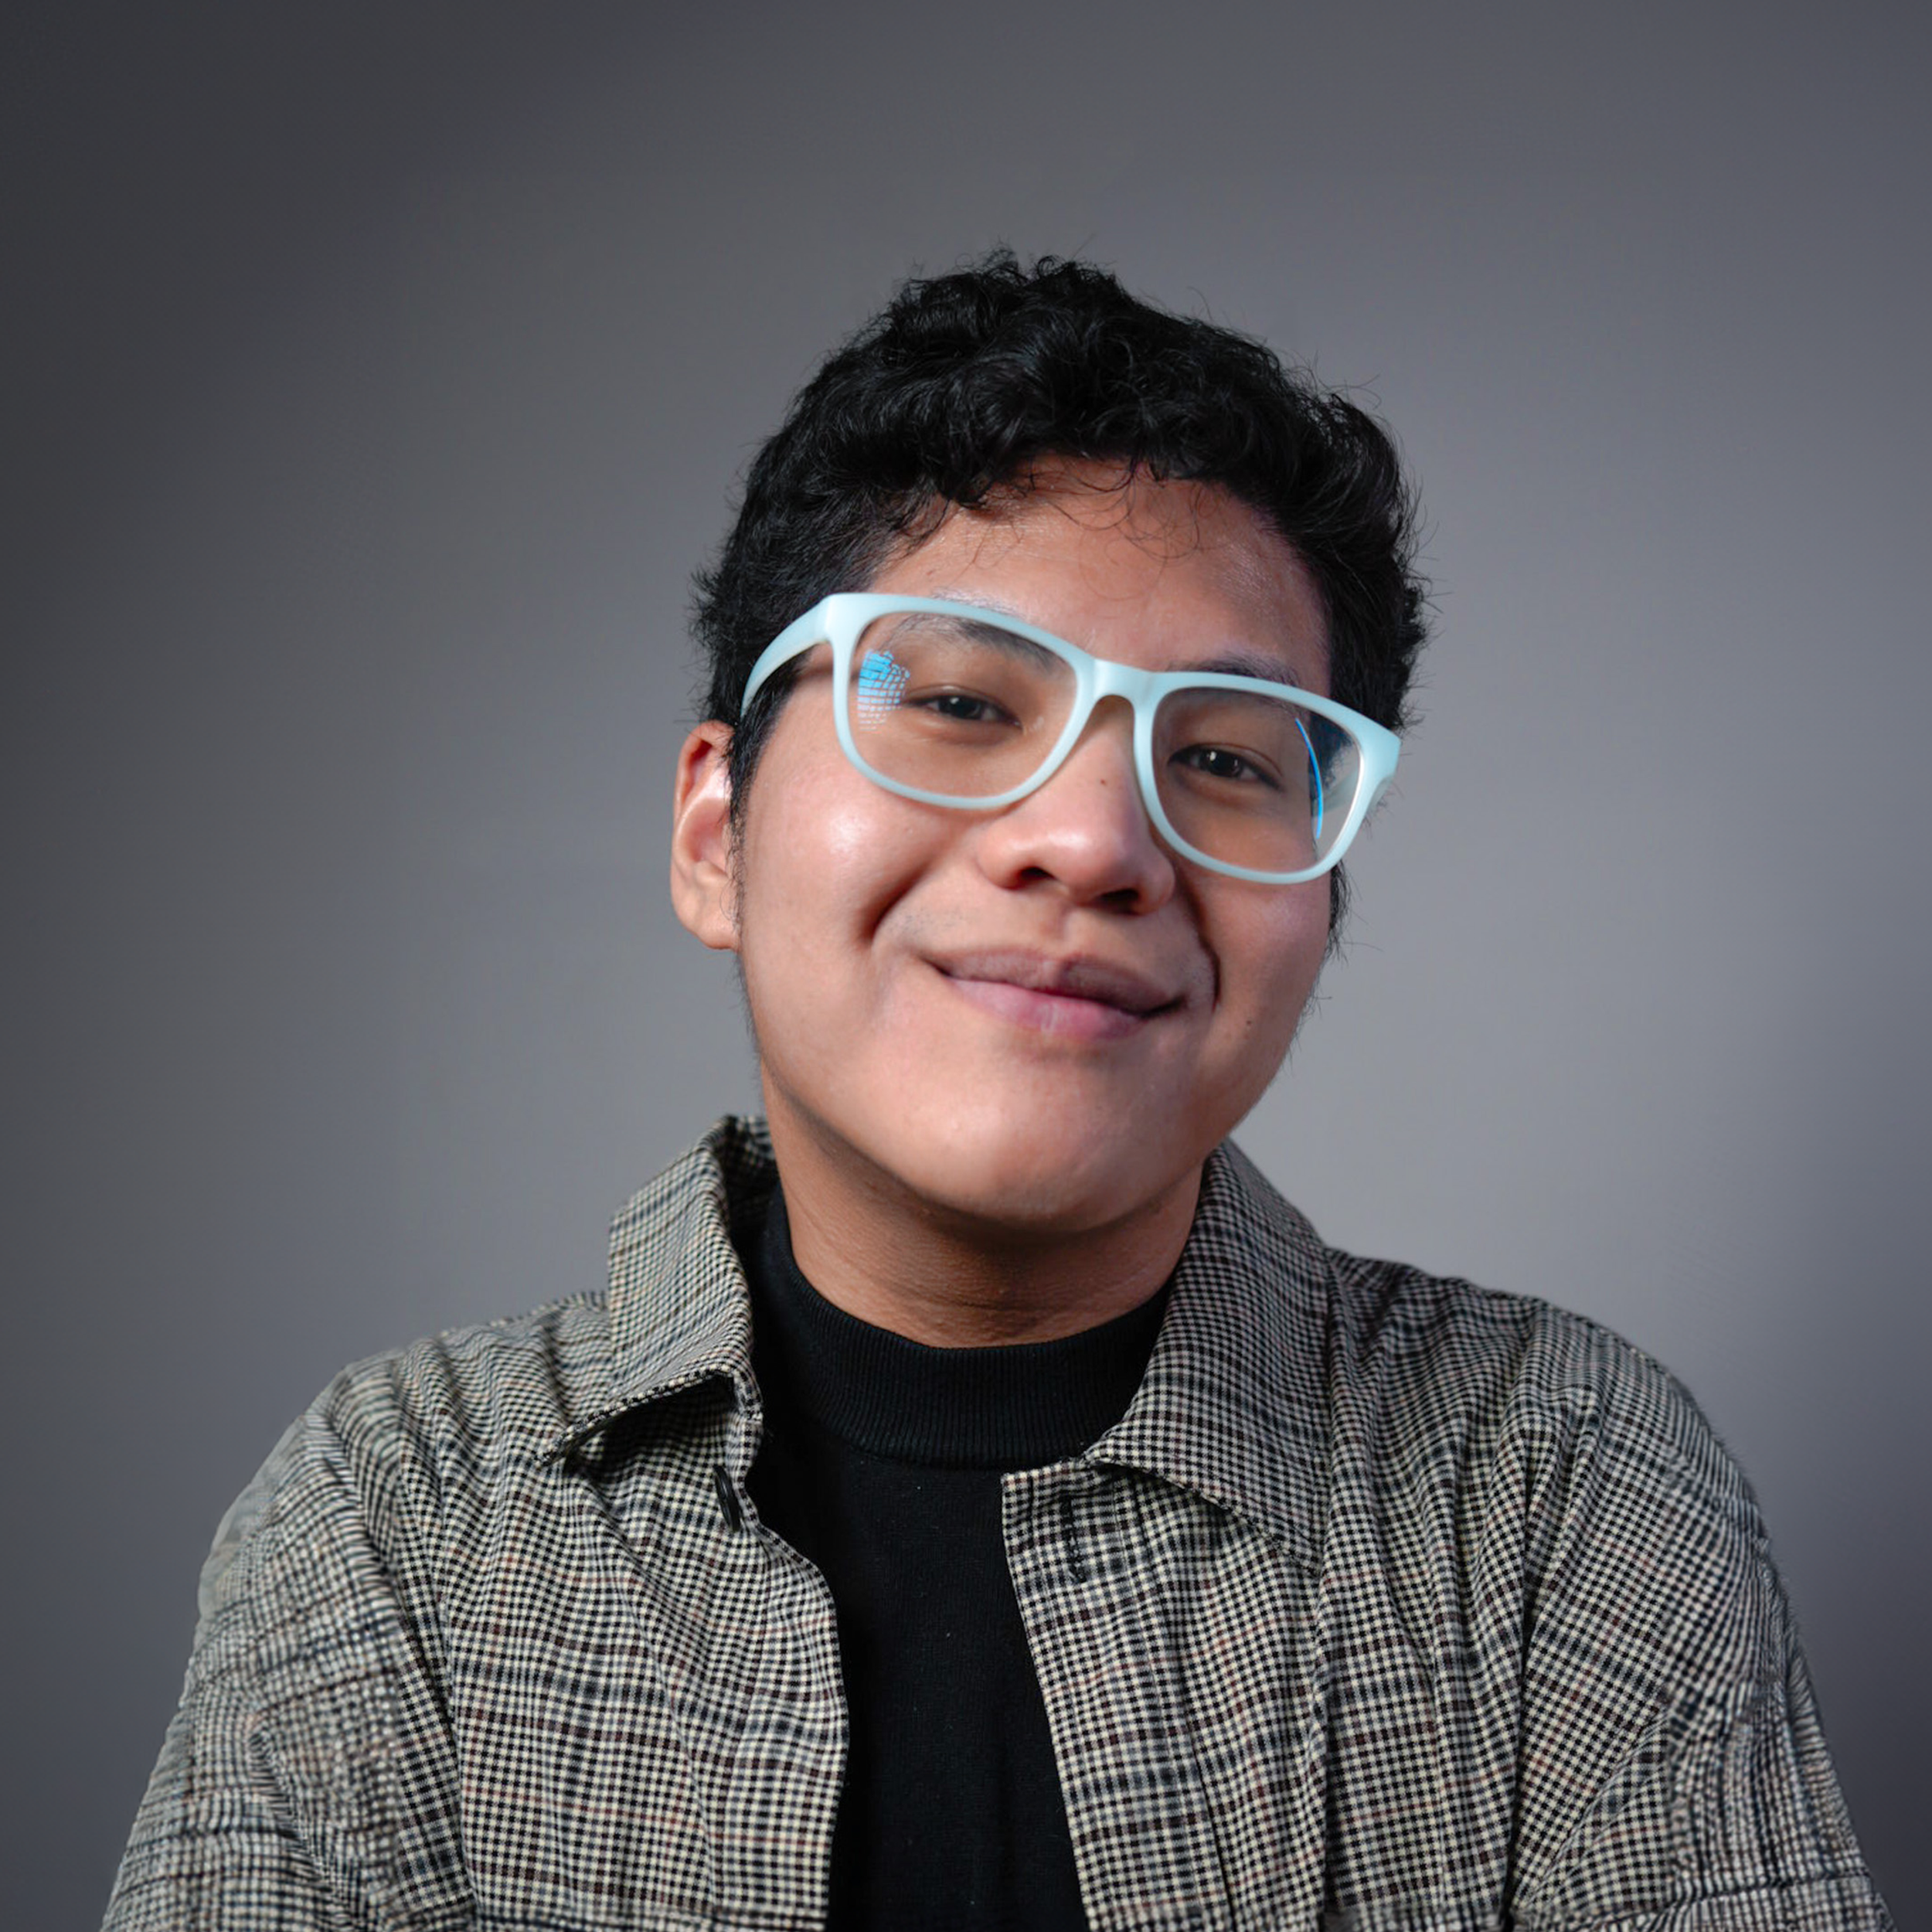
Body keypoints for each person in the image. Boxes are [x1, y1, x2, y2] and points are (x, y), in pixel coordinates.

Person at [104, 254, 1892, 1930]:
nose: (1093, 840)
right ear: (716, 829)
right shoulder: (398, 1527)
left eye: (1220, 755)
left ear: (1323, 901)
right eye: (958, 702)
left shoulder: (1555, 1497)